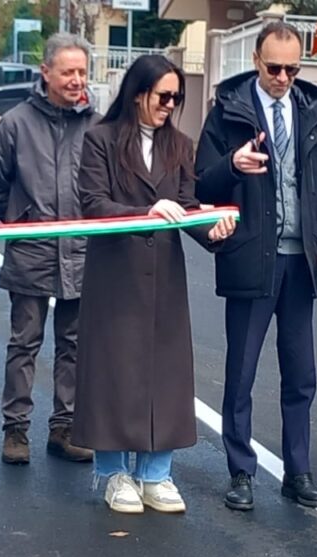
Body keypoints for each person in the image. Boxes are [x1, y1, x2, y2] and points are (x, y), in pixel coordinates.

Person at [194, 21, 317, 512]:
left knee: (300, 373)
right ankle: (240, 470)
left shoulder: (315, 114)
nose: (283, 77)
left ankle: (297, 471)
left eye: (292, 68)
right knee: (241, 372)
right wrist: (231, 166)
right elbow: (200, 183)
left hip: (301, 264)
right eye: (274, 67)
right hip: (250, 258)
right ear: (257, 62)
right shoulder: (228, 112)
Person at [74, 54, 237, 514]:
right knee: (113, 372)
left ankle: (156, 473)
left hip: (164, 276)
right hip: (114, 274)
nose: (170, 105)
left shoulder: (180, 146)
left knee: (164, 373)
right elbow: (92, 204)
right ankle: (111, 472)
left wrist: (211, 229)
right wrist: (140, 214)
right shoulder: (100, 140)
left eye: (177, 98)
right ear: (137, 93)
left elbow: (185, 204)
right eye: (163, 96)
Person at [0, 33, 98, 466]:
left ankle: (64, 427)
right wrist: (21, 221)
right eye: (67, 71)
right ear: (46, 73)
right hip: (31, 252)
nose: (75, 80)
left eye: (82, 72)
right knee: (24, 344)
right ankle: (15, 430)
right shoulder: (16, 122)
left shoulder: (96, 123)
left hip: (83, 252)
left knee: (74, 344)